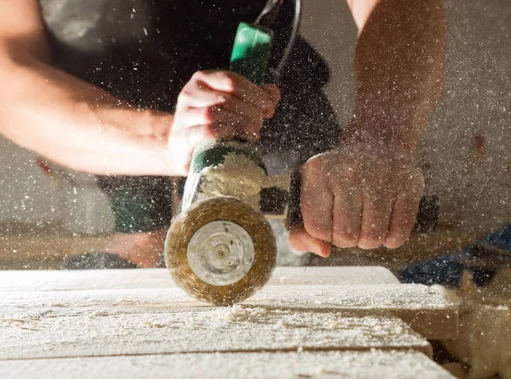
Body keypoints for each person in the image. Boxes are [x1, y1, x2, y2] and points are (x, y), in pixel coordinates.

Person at [0, 0, 446, 269]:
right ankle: (141, 225)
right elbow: (9, 72)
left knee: (315, 249)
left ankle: (294, 207)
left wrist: (380, 138)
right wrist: (168, 142)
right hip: (121, 131)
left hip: (268, 97)